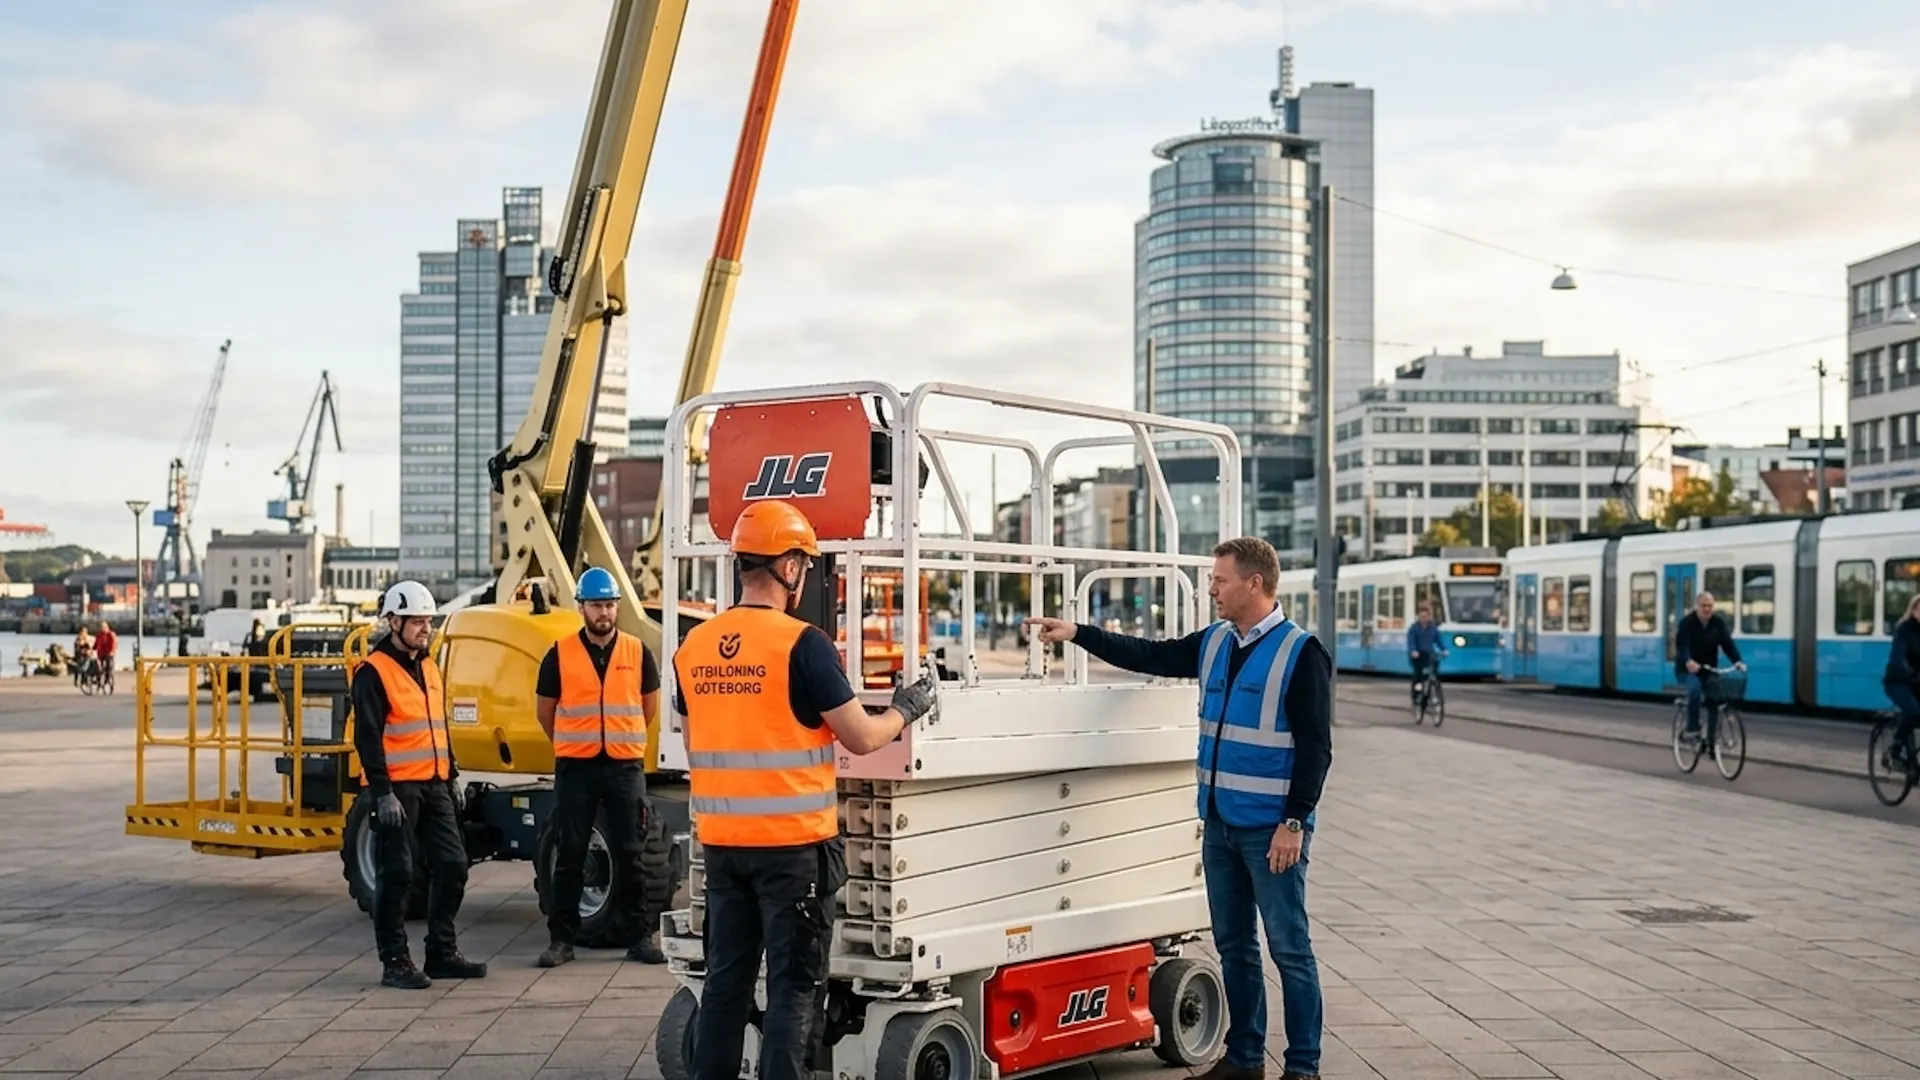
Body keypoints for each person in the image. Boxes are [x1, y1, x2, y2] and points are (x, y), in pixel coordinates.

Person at [1025, 536, 1333, 1080]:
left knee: (1290, 950)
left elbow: (1315, 748)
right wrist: (1078, 634)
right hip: (1218, 824)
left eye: (1220, 580)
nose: (1212, 588)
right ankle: (1243, 1060)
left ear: (1254, 584)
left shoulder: (1300, 652)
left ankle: (1303, 1069)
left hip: (1271, 833)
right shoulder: (1216, 641)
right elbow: (1152, 654)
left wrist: (1294, 822)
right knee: (1234, 947)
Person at [677, 500, 938, 1080]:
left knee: (725, 986)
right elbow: (863, 738)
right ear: (790, 568)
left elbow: (699, 747)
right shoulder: (803, 644)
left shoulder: (693, 649)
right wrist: (908, 706)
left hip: (722, 848)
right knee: (794, 992)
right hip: (793, 854)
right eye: (804, 564)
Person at [350, 580, 488, 990]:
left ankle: (441, 952)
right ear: (394, 622)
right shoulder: (373, 672)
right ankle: (395, 961)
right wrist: (382, 793)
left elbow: (435, 725)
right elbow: (368, 738)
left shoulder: (428, 665)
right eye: (417, 622)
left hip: (435, 783)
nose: (425, 628)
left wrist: (452, 774)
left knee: (453, 864)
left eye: (428, 621)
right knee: (398, 874)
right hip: (397, 789)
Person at [535, 565, 665, 968]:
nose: (603, 613)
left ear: (617, 607)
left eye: (609, 605)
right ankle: (562, 940)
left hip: (625, 767)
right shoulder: (559, 654)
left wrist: (619, 739)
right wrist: (577, 741)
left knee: (631, 852)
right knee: (571, 853)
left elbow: (648, 708)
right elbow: (545, 713)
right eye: (596, 605)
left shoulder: (637, 652)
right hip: (577, 767)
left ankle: (640, 937)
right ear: (581, 608)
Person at [1674, 591, 1745, 741]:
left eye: (1710, 606)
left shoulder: (1717, 623)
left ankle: (1712, 742)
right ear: (1696, 606)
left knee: (1715, 700)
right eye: (1704, 606)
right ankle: (1692, 729)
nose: (1707, 609)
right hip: (1687, 670)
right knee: (1695, 690)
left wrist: (1737, 661)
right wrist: (1688, 661)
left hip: (1707, 669)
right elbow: (1682, 646)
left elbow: (1728, 644)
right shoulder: (1686, 623)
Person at [1883, 594, 1920, 766]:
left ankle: (1913, 760)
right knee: (1913, 711)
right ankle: (1896, 747)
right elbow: (1899, 656)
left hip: (1916, 682)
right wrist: (1907, 672)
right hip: (1898, 681)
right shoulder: (1904, 629)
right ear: (1913, 610)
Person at [1405, 604, 1443, 706]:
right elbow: (1411, 641)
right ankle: (1416, 695)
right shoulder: (1414, 628)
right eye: (1422, 617)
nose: (1424, 619)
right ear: (1418, 617)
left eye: (1426, 617)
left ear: (1429, 617)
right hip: (1417, 654)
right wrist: (1413, 651)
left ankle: (1433, 688)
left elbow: (1438, 640)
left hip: (1428, 652)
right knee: (1418, 674)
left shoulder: (1433, 628)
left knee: (1435, 666)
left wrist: (1444, 649)